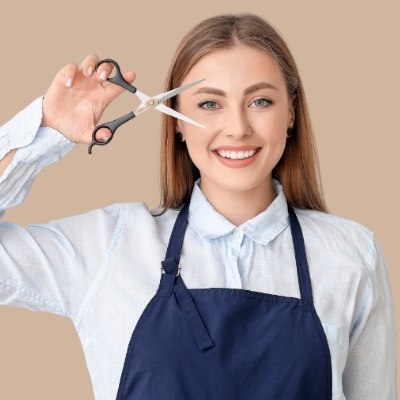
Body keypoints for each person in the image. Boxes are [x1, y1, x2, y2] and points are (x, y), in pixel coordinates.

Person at [0, 12, 397, 400]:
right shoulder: (109, 245)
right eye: (209, 104)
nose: (238, 127)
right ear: (176, 120)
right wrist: (47, 132)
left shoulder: (350, 253)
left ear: (290, 112)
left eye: (260, 101)